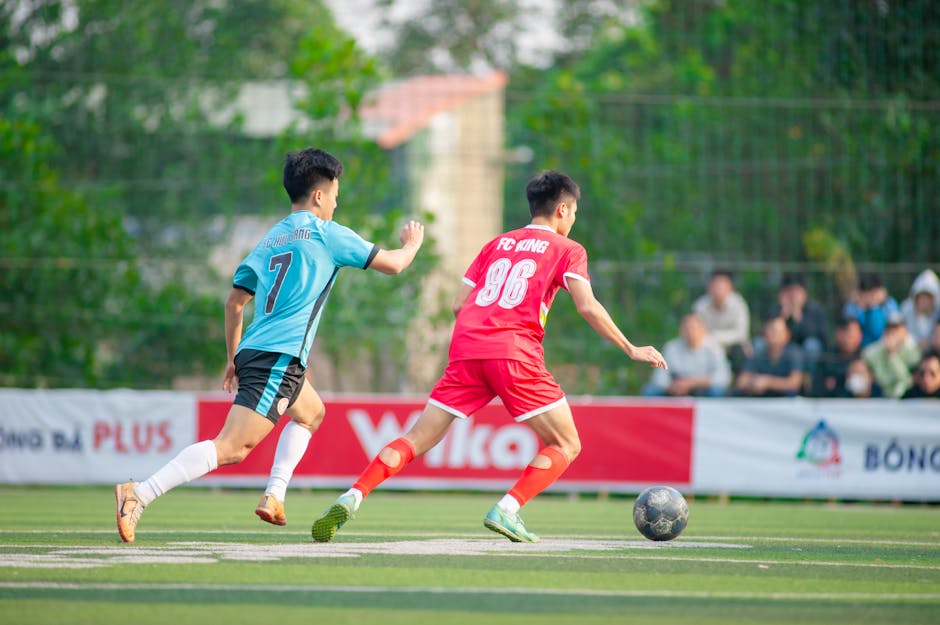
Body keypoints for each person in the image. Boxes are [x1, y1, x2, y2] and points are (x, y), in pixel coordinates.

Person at [311, 171, 667, 544]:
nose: (573, 219)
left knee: (415, 438)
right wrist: (630, 347)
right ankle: (508, 509)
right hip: (513, 352)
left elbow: (458, 304)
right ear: (563, 209)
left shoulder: (495, 244)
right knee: (567, 444)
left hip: (466, 348)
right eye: (574, 211)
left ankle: (353, 495)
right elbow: (588, 307)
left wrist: (480, 339)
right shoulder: (568, 250)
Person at [114, 148, 425, 543]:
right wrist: (413, 243)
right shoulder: (327, 234)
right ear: (318, 195)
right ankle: (138, 494)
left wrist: (233, 358)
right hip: (278, 357)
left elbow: (234, 303)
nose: (335, 201)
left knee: (312, 414)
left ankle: (275, 496)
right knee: (232, 447)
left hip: (260, 351)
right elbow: (395, 264)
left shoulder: (271, 236)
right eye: (334, 194)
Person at [642, 313, 730, 397]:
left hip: (703, 389)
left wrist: (691, 383)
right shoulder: (671, 348)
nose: (690, 332)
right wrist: (672, 386)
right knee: (650, 391)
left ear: (703, 330)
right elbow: (659, 377)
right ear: (681, 330)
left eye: (694, 328)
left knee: (717, 391)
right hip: (675, 389)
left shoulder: (714, 348)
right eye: (687, 328)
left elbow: (723, 377)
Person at [692, 270, 751, 374]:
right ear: (709, 287)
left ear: (730, 288)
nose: (718, 290)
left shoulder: (739, 305)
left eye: (722, 286)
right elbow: (695, 331)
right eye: (715, 285)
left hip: (732, 347)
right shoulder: (701, 305)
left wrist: (715, 337)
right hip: (707, 346)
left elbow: (741, 334)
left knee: (739, 352)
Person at [734, 316, 804, 397]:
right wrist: (753, 383)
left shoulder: (794, 353)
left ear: (787, 335)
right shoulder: (758, 353)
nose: (771, 334)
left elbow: (795, 383)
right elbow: (741, 382)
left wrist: (768, 382)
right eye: (769, 330)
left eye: (775, 331)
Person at [770, 273, 828, 361]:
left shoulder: (814, 309)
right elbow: (768, 331)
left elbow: (817, 335)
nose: (793, 296)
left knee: (812, 346)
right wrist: (782, 316)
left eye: (796, 292)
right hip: (783, 347)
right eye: (789, 291)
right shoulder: (777, 308)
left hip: (804, 347)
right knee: (759, 344)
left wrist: (799, 318)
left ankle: (809, 374)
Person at [862, 313, 921, 399]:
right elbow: (880, 379)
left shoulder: (914, 353)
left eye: (897, 329)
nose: (893, 333)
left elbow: (907, 381)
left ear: (905, 331)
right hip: (878, 397)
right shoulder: (871, 352)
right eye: (889, 329)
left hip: (906, 398)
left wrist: (892, 355)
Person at [843, 272, 900, 348]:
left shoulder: (889, 304)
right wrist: (860, 306)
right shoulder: (853, 306)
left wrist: (874, 306)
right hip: (859, 349)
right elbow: (848, 328)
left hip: (884, 347)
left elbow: (894, 327)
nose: (870, 297)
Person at [811, 317, 863, 397]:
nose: (846, 338)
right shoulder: (828, 358)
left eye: (850, 334)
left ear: (860, 335)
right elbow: (817, 390)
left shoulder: (866, 358)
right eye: (842, 332)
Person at [900, 269, 940, 352]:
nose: (924, 301)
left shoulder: (938, 312)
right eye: (921, 297)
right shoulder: (906, 310)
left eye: (928, 297)